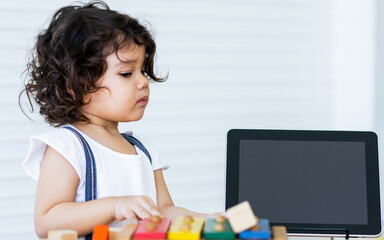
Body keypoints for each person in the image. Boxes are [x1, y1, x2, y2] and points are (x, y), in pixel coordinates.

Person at [20, 1, 215, 239]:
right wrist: (113, 206)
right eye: (126, 73)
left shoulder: (143, 150)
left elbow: (163, 212)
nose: (143, 81)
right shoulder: (67, 147)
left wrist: (210, 220)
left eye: (142, 70)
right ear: (79, 85)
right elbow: (47, 221)